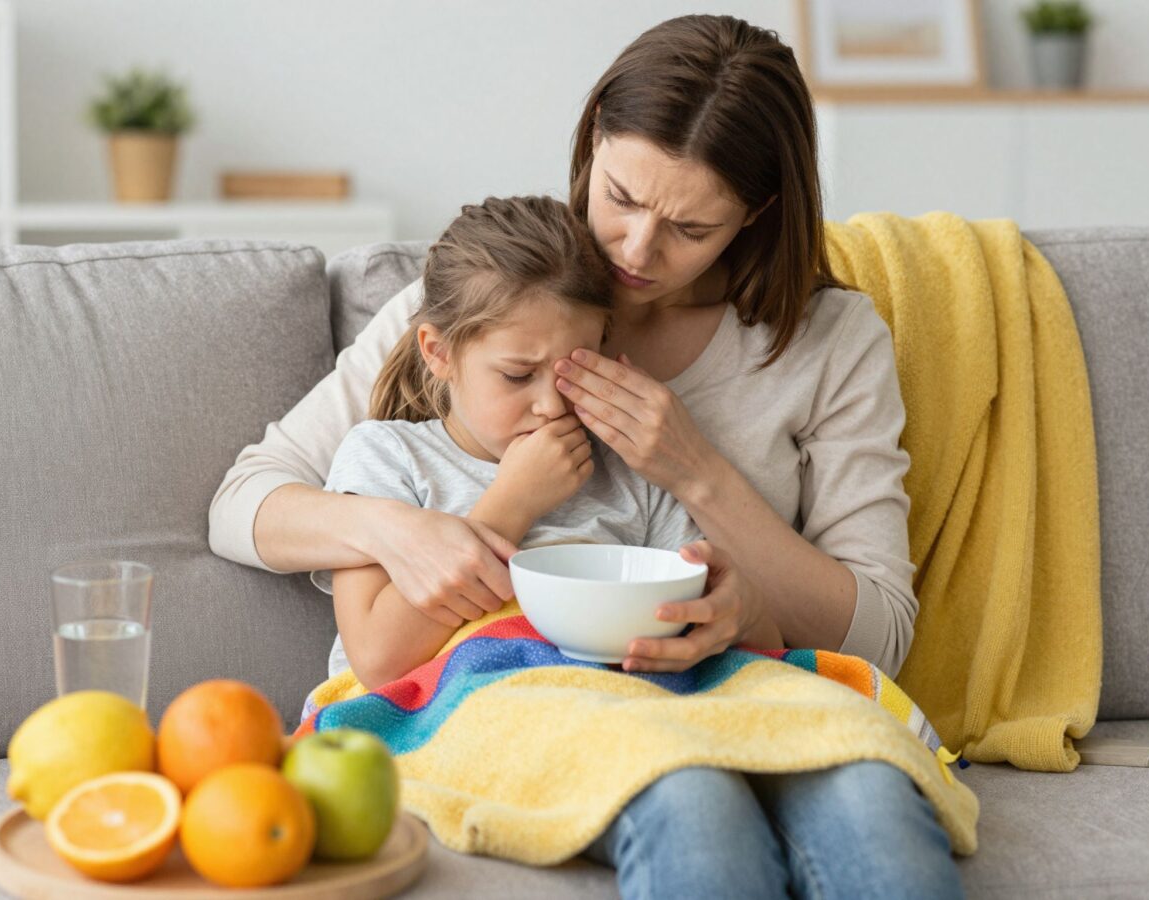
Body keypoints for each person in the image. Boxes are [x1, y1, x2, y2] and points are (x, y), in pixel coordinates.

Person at [210, 13, 964, 899]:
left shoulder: (829, 342)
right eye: (622, 198)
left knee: (874, 800)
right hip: (534, 704)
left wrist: (697, 472)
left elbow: (873, 633)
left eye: (692, 227)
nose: (637, 251)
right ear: (593, 139)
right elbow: (244, 503)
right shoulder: (481, 302)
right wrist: (397, 531)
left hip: (693, 685)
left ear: (756, 213)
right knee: (691, 804)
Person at [312, 194, 723, 687]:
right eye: (517, 375)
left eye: (576, 371)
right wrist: (512, 504)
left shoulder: (630, 469)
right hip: (446, 708)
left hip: (606, 703)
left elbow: (698, 626)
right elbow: (378, 662)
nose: (551, 405)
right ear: (439, 353)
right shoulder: (387, 457)